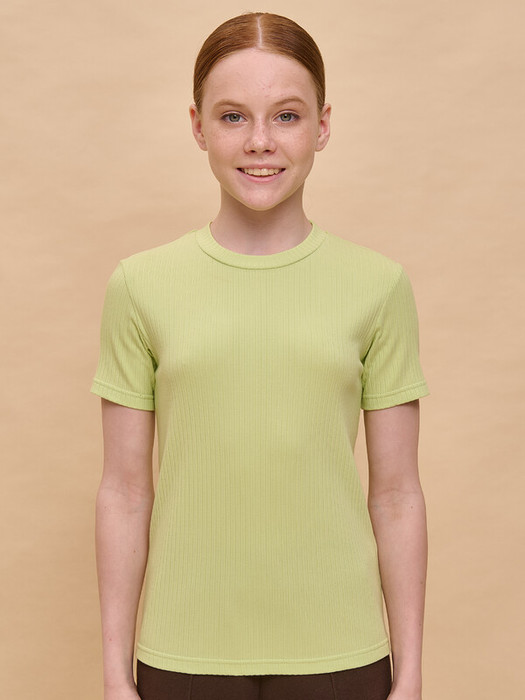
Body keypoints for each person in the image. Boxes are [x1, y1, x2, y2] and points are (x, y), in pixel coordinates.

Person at [92, 12, 429, 700]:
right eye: (232, 117)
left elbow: (396, 494)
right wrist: (113, 673)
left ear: (322, 127)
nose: (260, 142)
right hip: (183, 652)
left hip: (340, 652)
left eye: (286, 116)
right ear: (198, 127)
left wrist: (412, 671)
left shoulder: (378, 286)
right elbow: (124, 491)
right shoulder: (139, 285)